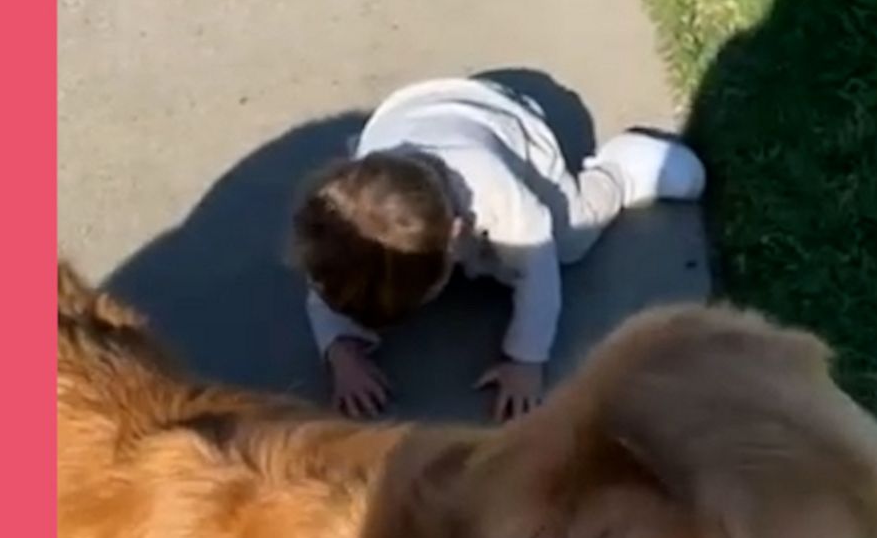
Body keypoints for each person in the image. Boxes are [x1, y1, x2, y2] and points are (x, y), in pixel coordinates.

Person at [291, 76, 705, 421]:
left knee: (567, 240)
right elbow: (325, 289)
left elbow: (538, 271)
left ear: (457, 236)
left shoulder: (496, 191)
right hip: (409, 113)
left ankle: (619, 174)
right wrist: (341, 350)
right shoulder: (342, 223)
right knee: (372, 267)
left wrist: (525, 359)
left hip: (508, 125)